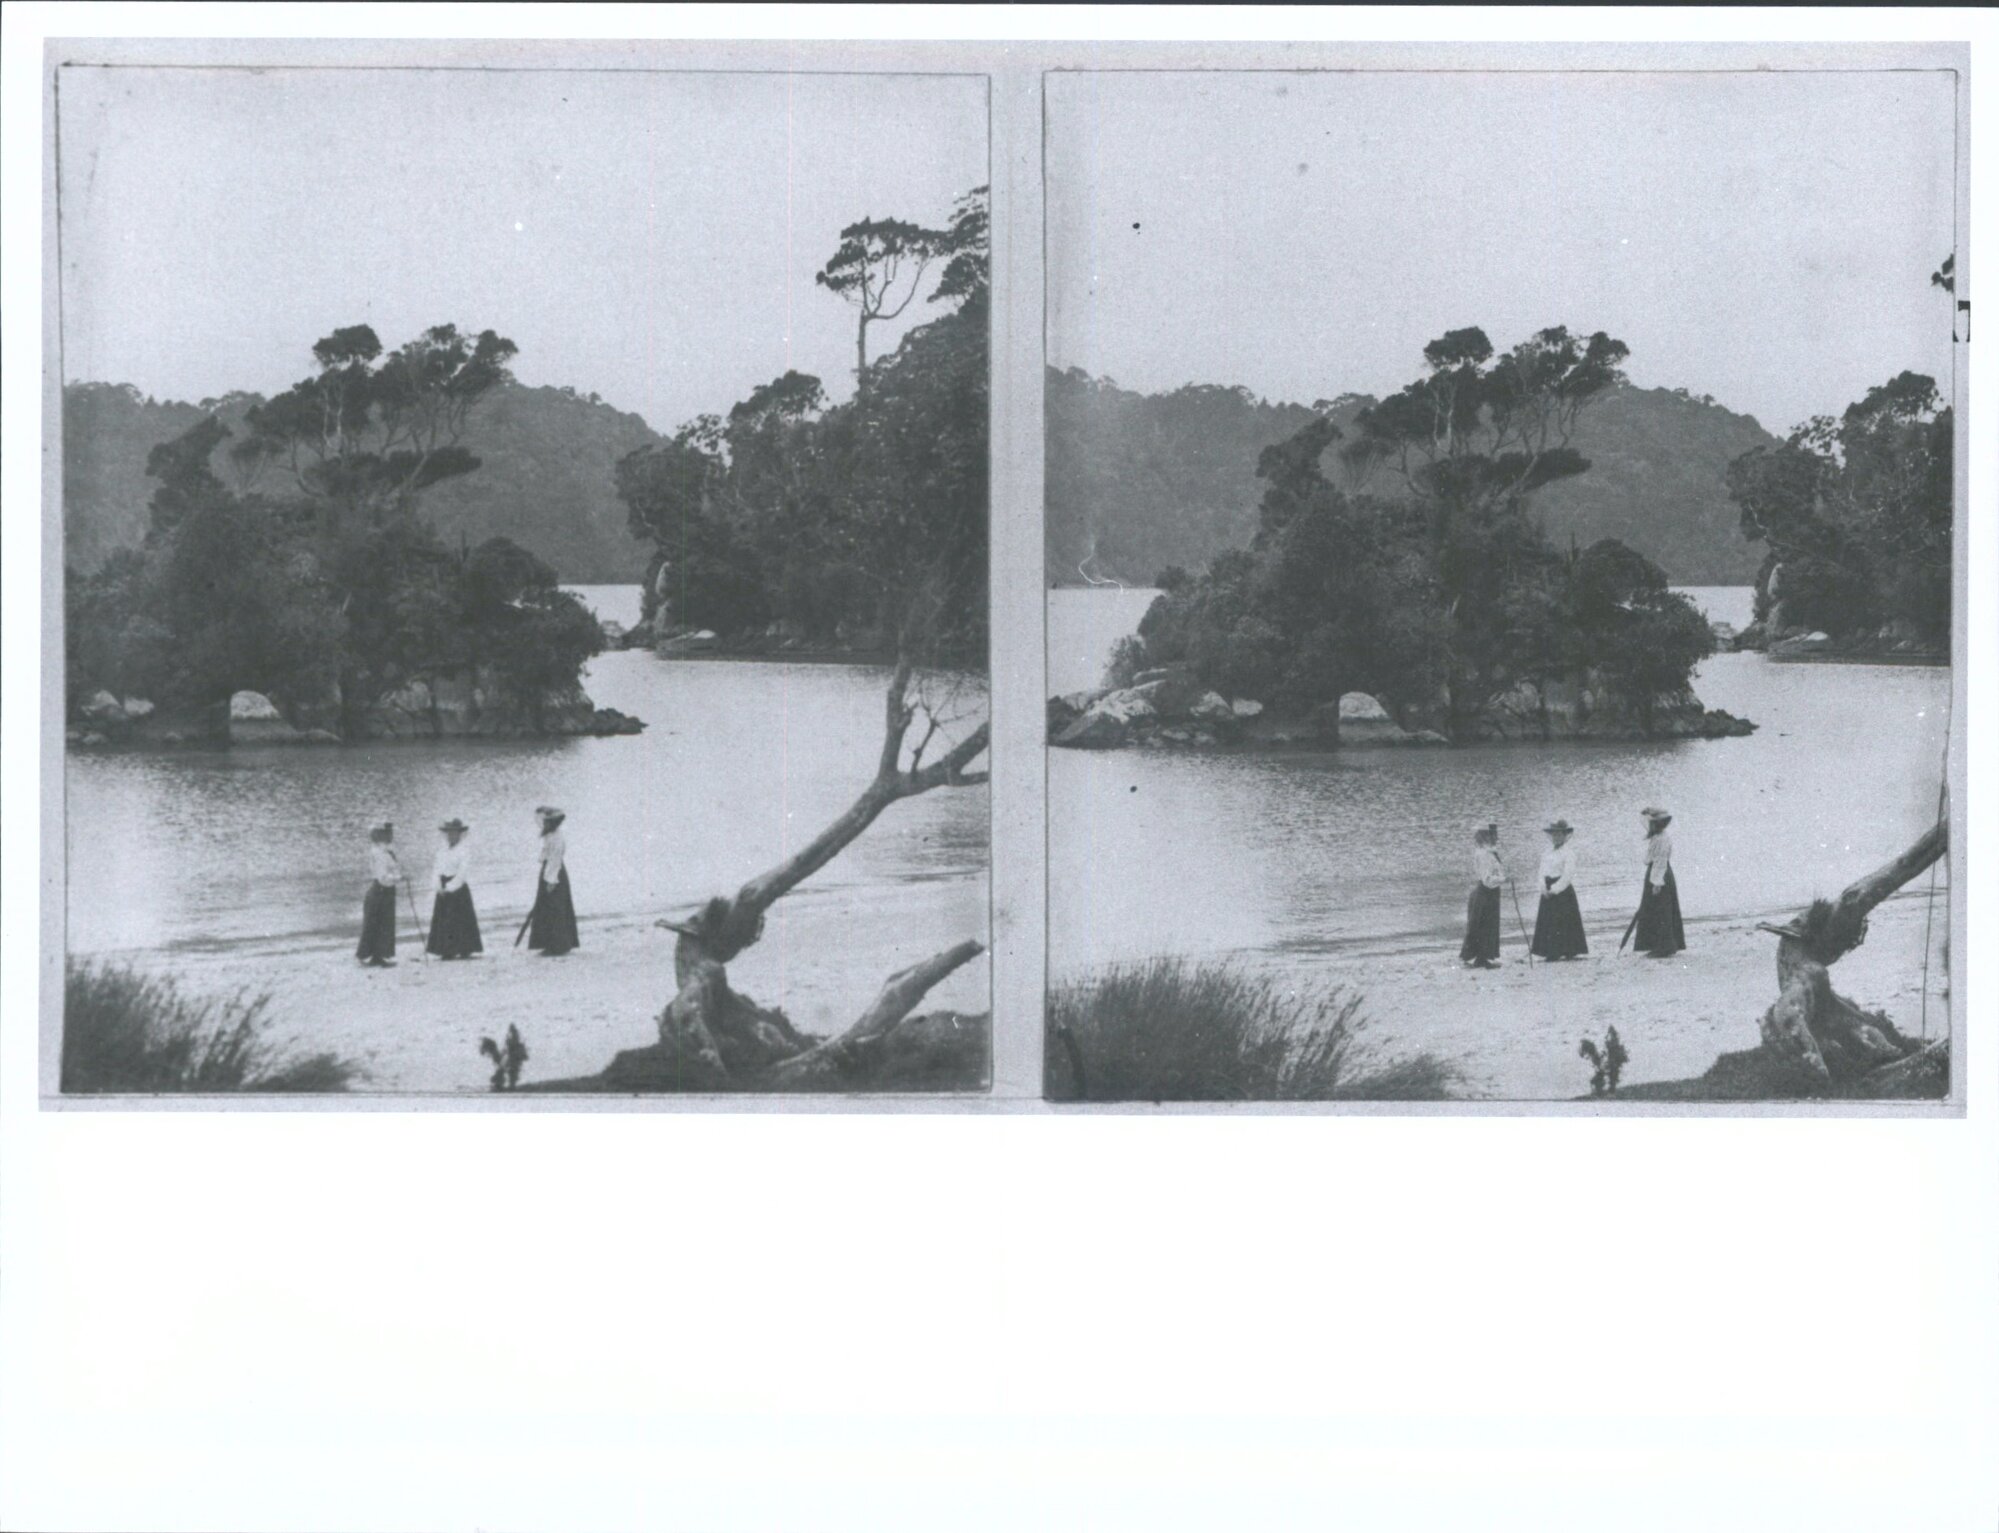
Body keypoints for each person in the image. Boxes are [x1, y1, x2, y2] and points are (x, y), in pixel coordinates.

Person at [1631, 807, 1687, 958]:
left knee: (1660, 911)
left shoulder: (1662, 839)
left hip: (1660, 875)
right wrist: (1647, 811)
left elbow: (1660, 862)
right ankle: (1659, 944)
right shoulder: (1658, 837)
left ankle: (1664, 946)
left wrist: (1656, 882)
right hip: (1657, 873)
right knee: (1655, 910)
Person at [1530, 818, 1589, 960]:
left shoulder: (1569, 853)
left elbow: (1568, 875)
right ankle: (1550, 951)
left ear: (1564, 835)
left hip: (1562, 891)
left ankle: (1569, 950)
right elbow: (1541, 871)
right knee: (1548, 920)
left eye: (1559, 834)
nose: (1556, 837)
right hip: (1547, 887)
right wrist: (1543, 887)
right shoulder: (1547, 852)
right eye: (1554, 835)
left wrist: (1555, 889)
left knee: (1564, 920)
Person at [426, 818, 484, 960]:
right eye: (449, 833)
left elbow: (462, 872)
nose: (452, 835)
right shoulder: (442, 849)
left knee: (460, 919)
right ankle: (446, 950)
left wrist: (450, 887)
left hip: (458, 888)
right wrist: (438, 886)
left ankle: (465, 948)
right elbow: (436, 869)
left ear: (460, 834)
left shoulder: (464, 850)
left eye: (455, 833)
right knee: (444, 919)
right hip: (443, 885)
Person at [526, 805, 579, 957]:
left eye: (548, 821)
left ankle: (558, 945)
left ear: (553, 823)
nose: (545, 824)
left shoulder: (557, 837)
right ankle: (549, 943)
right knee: (547, 909)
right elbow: (538, 821)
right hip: (548, 872)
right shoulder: (549, 833)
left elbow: (555, 861)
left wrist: (550, 881)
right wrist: (540, 810)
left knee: (555, 909)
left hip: (554, 875)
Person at [1459, 822, 1505, 969]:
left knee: (1487, 925)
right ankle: (1479, 958)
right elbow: (1487, 880)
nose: (1495, 838)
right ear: (1485, 836)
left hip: (1488, 892)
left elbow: (1494, 873)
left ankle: (1483, 957)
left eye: (1495, 835)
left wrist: (1501, 876)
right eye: (1492, 835)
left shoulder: (1489, 852)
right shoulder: (1484, 854)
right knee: (1483, 924)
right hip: (1486, 892)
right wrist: (1505, 879)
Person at [356, 822, 400, 968]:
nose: (390, 835)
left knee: (381, 923)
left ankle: (378, 955)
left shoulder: (382, 850)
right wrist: (399, 878)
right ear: (380, 835)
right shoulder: (380, 853)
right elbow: (383, 877)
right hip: (382, 890)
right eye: (387, 832)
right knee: (380, 923)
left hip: (382, 890)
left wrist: (396, 876)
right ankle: (376, 956)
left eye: (390, 832)